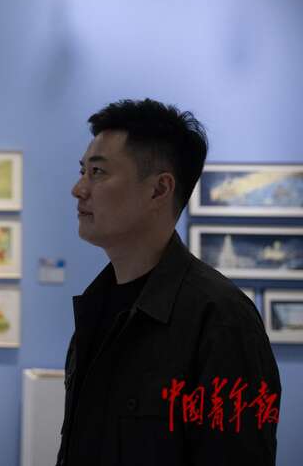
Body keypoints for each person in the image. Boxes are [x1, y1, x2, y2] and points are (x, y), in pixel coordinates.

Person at [56, 99, 281, 466]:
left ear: (159, 190)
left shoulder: (223, 320)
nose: (78, 188)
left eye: (97, 172)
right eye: (83, 171)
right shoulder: (96, 307)